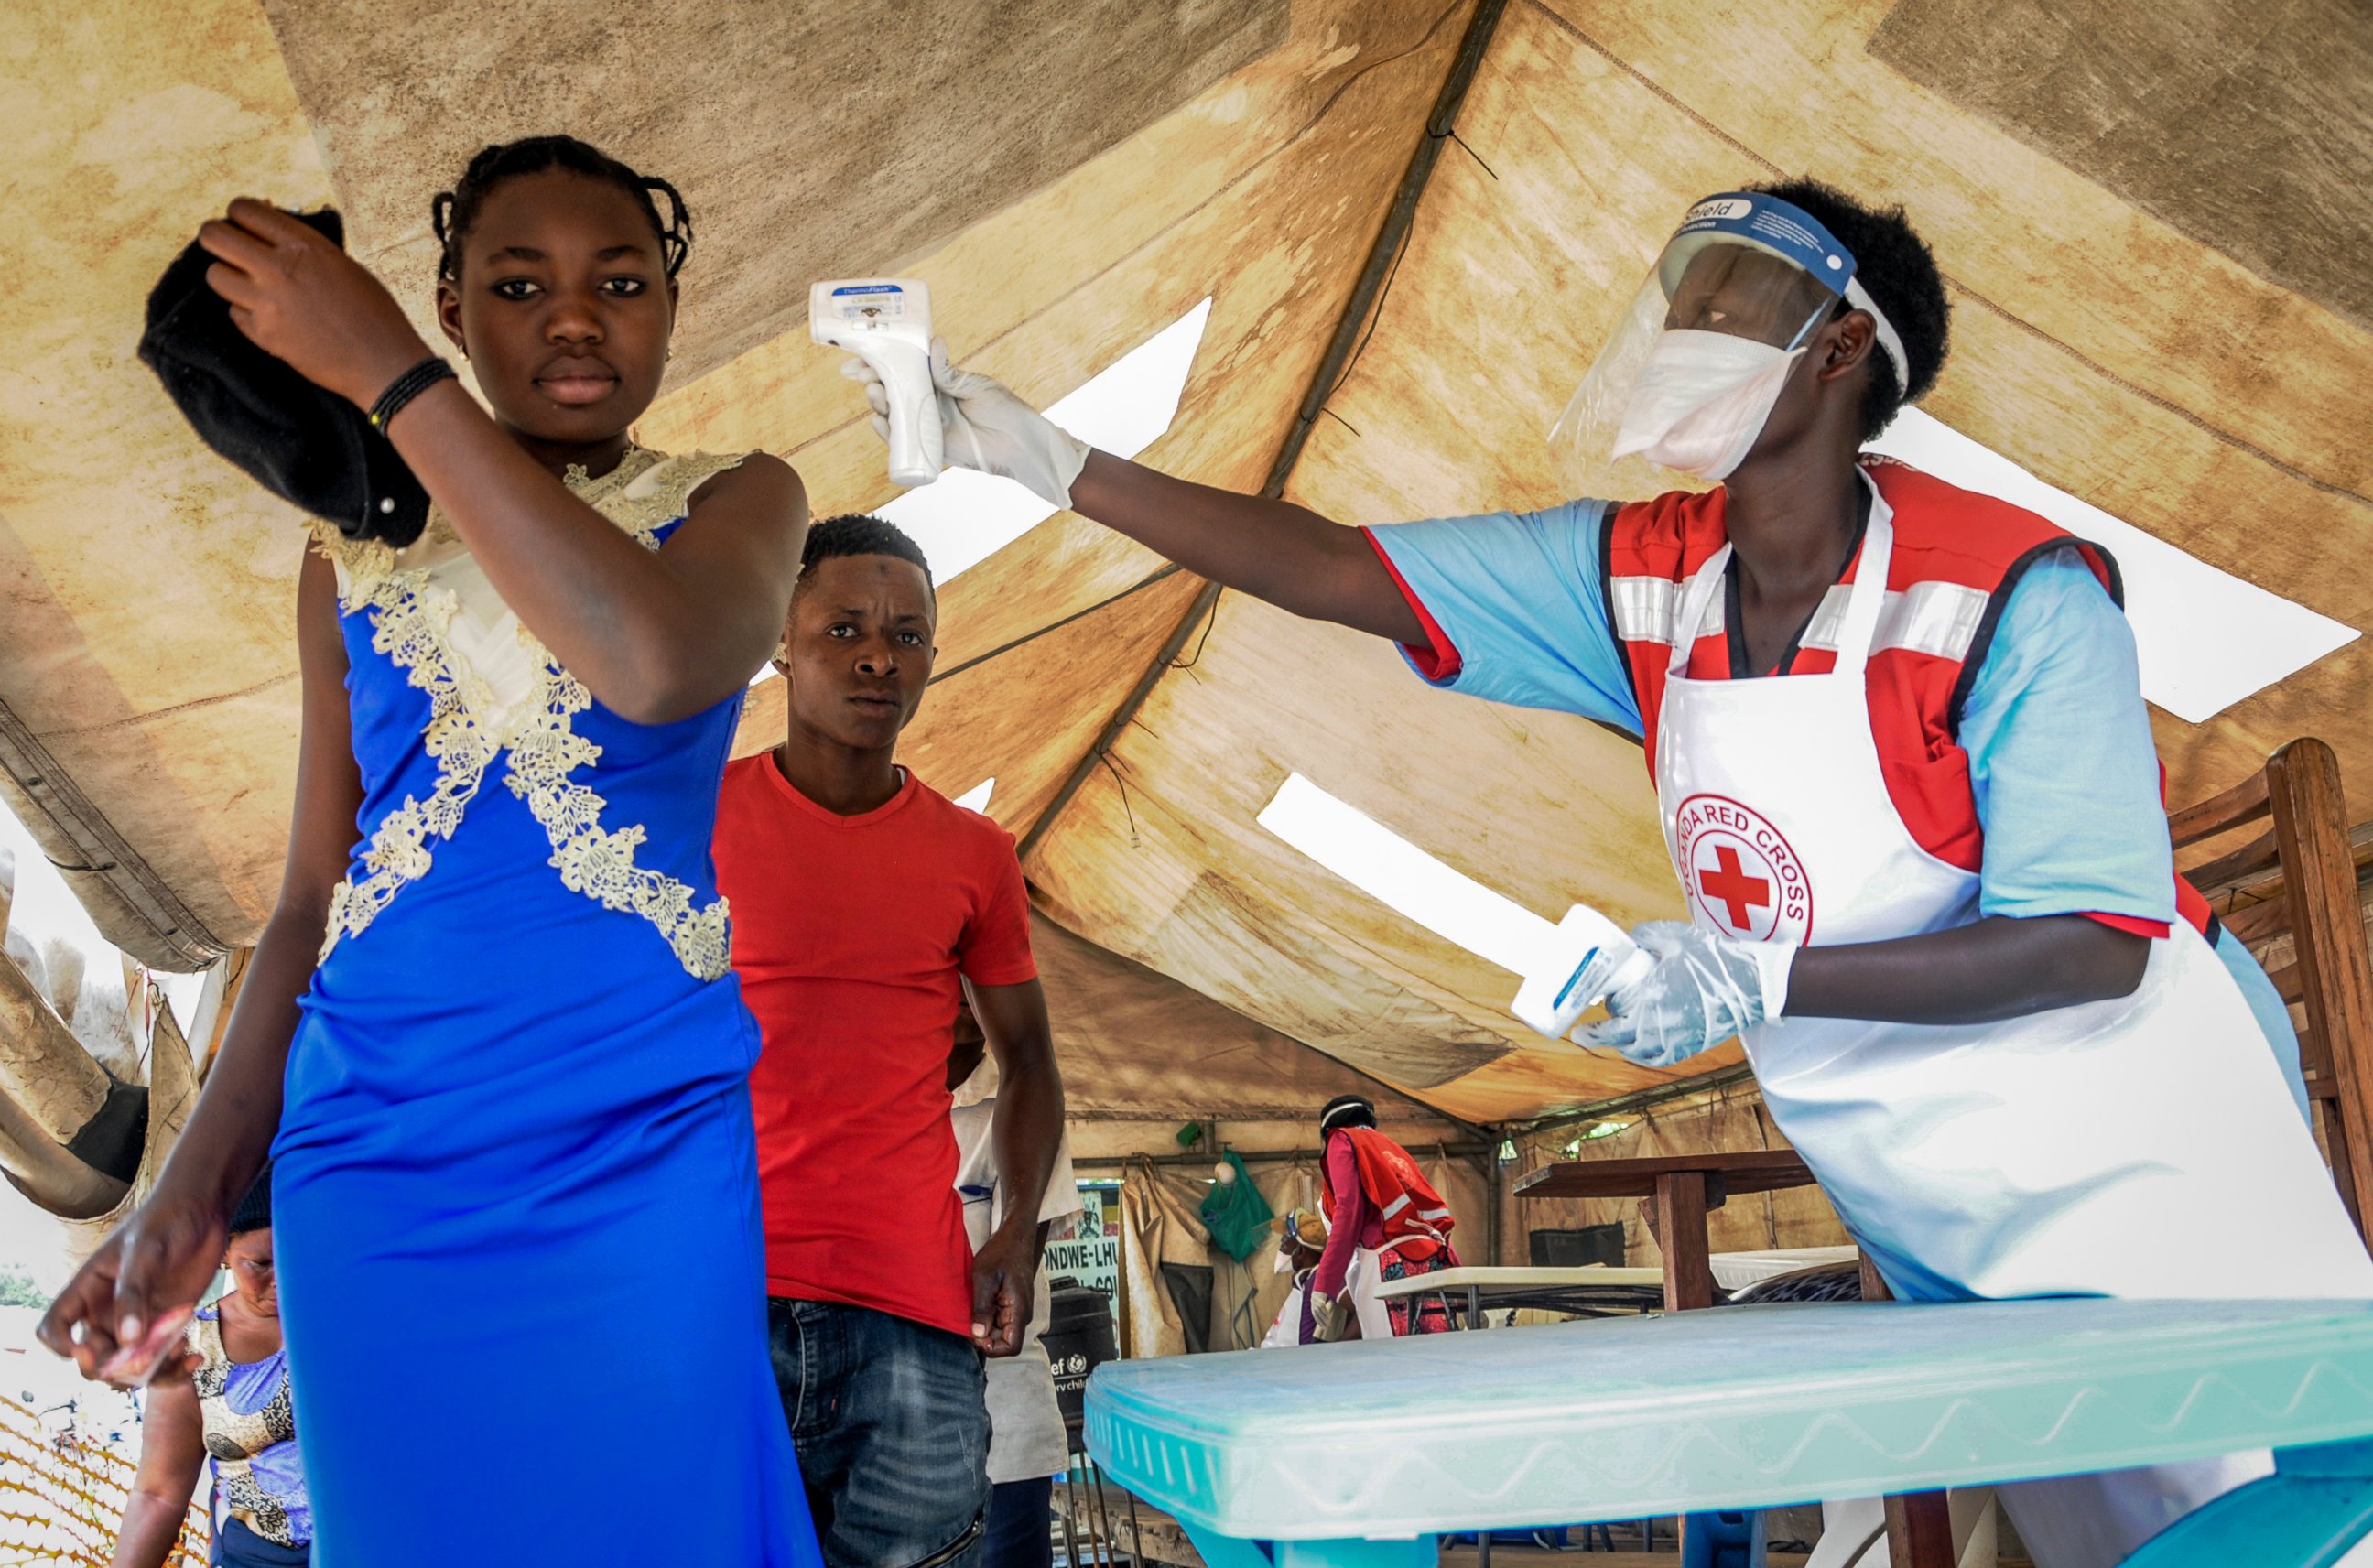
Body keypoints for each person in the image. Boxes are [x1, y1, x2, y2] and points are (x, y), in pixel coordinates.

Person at [842, 178, 2372, 1566]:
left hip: (2143, 1142)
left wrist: (1753, 973)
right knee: (2117, 1526)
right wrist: (1034, 452)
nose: (1678, 329)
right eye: (1681, 295)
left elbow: (2089, 942)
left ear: (1839, 349)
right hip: (1930, 1181)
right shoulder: (1645, 574)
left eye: (1725, 300)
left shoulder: (2014, 595)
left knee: (2298, 1510)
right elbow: (1334, 568)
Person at [43, 136, 818, 1566]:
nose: (574, 317)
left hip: (634, 1136)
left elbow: (659, 663)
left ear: (670, 308)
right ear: (458, 305)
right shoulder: (349, 562)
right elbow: (301, 910)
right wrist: (189, 1203)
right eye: (518, 284)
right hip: (376, 1158)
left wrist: (395, 382)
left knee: (669, 1521)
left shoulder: (742, 500)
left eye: (620, 281)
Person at [714, 513, 1066, 1568]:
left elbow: (1031, 1064)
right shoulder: (693, 821)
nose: (879, 656)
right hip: (719, 1295)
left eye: (909, 635)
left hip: (913, 1310)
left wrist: (1016, 1235)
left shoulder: (976, 855)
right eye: (844, 629)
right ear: (781, 639)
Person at [109, 1166, 309, 1568]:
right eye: (261, 1263)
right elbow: (158, 1491)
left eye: (297, 1254)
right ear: (223, 1253)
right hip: (256, 1556)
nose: (281, 1278)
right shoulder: (191, 1347)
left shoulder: (347, 1322)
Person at [947, 1010, 1082, 1568]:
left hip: (1005, 1422)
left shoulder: (1023, 1103)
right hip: (899, 1426)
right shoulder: (877, 1097)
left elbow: (1014, 1278)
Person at [1306, 1096, 1459, 1342]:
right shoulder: (1391, 1147)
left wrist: (1324, 1282)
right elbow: (1435, 1218)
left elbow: (1348, 1213)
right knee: (1440, 1358)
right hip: (1432, 1262)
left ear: (1328, 1129)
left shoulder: (1341, 1140)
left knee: (1392, 1365)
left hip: (1388, 1265)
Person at [1259, 1206, 1328, 1349]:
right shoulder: (1303, 1281)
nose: (1281, 1248)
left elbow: (1353, 1307)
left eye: (1284, 1243)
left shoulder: (1317, 1280)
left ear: (1301, 1251)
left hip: (1293, 1363)